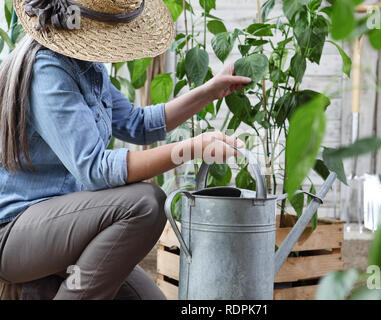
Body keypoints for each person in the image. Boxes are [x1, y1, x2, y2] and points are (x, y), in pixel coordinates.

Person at [0, 0, 251, 300]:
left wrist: (210, 91)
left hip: (67, 228)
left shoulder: (87, 67)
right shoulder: (47, 69)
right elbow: (94, 169)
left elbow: (139, 124)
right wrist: (190, 149)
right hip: (16, 233)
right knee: (147, 203)